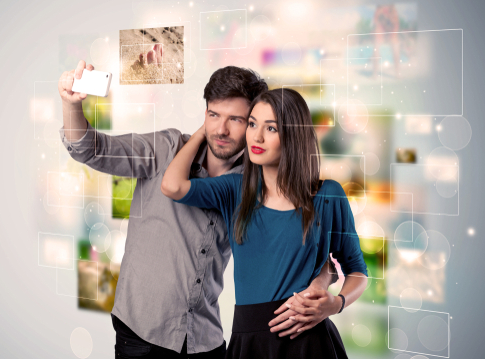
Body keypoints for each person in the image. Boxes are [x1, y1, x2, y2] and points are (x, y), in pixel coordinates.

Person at [58, 62, 338, 358]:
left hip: (205, 341)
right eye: (213, 115)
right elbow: (90, 149)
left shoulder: (258, 184)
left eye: (236, 119)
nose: (221, 129)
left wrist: (322, 295)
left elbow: (313, 252)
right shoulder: (165, 149)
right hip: (141, 333)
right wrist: (70, 104)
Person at [161, 88, 368, 358]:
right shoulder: (235, 190)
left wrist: (335, 304)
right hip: (248, 342)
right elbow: (172, 185)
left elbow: (357, 271)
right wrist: (205, 130)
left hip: (310, 343)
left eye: (271, 128)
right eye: (252, 124)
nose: (256, 137)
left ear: (293, 136)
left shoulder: (328, 195)